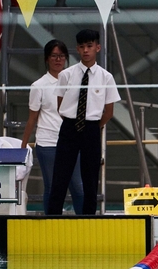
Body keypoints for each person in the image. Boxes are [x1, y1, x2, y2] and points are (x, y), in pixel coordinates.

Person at [48, 29, 121, 215]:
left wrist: (93, 126)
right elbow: (60, 105)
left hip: (91, 128)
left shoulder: (106, 77)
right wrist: (74, 122)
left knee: (90, 178)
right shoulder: (66, 75)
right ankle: (52, 217)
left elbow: (109, 111)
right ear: (77, 49)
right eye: (82, 47)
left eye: (89, 46)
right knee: (60, 177)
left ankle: (89, 218)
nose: (86, 50)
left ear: (98, 47)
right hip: (69, 127)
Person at [22, 39, 84, 215]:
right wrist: (23, 145)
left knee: (79, 188)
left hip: (72, 141)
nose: (58, 60)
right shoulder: (39, 86)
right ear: (47, 59)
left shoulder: (75, 81)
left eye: (62, 56)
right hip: (48, 143)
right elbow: (32, 118)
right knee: (54, 187)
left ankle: (86, 225)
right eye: (54, 56)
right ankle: (51, 226)